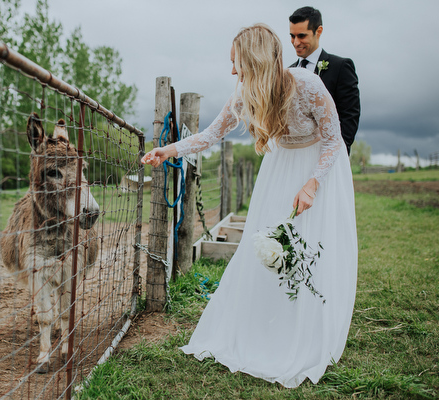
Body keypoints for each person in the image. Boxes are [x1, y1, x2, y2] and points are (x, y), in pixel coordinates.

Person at [141, 24, 357, 388]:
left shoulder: (308, 86)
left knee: (310, 245)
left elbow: (335, 141)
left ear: (253, 60)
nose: (232, 72)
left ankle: (309, 327)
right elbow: (211, 133)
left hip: (320, 169)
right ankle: (271, 321)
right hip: (279, 169)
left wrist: (313, 183)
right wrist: (169, 150)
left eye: (235, 63)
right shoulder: (242, 94)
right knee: (266, 245)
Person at [289, 6, 360, 154]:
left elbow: (349, 115)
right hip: (295, 154)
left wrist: (337, 153)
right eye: (292, 36)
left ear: (318, 31)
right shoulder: (288, 72)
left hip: (326, 153)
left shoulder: (340, 67)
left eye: (301, 36)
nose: (296, 42)